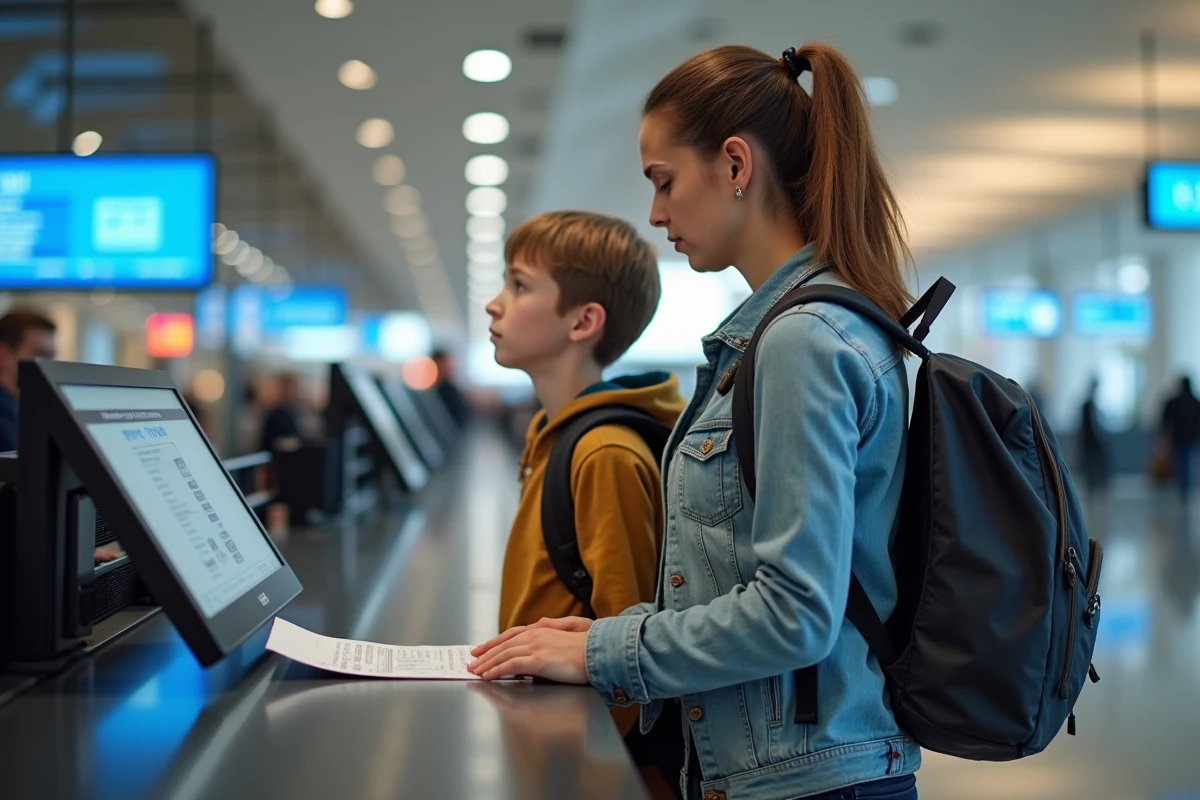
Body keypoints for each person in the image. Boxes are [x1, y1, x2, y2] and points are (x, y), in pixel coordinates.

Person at [471, 43, 920, 800]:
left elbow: (795, 615)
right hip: (796, 768)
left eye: (664, 181)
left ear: (736, 165)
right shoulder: (789, 333)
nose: (656, 213)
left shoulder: (803, 342)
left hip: (808, 782)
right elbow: (743, 577)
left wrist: (605, 654)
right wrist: (608, 635)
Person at [485, 210, 687, 797]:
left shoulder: (603, 453)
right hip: (555, 739)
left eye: (519, 286)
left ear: (583, 321)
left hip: (593, 764)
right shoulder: (554, 435)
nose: (494, 304)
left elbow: (630, 646)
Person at [0, 308, 57, 452]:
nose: (49, 365)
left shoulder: (28, 409)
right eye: (40, 354)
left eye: (51, 356)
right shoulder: (5, 423)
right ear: (4, 355)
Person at [1161, 376, 1200, 501]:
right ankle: (1185, 487)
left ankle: (1183, 487)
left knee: (1181, 462)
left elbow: (1165, 421)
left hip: (1178, 437)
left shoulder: (1174, 402)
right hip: (1191, 437)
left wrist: (1163, 437)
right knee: (1187, 461)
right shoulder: (1195, 402)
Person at [1079, 377, 1109, 497]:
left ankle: (1097, 484)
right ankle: (1092, 486)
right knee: (1090, 463)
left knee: (1095, 463)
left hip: (1093, 441)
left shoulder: (1093, 406)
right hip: (1090, 441)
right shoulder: (1087, 406)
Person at [258, 372, 303, 453]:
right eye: (289, 389)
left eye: (295, 389)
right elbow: (267, 443)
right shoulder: (274, 415)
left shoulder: (297, 412)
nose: (293, 392)